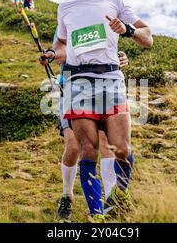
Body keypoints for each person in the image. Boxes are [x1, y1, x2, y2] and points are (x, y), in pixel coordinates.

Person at [40, 0, 153, 222]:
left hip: (110, 79)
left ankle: (118, 198)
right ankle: (97, 217)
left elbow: (148, 37)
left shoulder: (116, 2)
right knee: (86, 150)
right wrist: (52, 54)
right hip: (77, 83)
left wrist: (127, 30)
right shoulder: (66, 7)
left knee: (120, 148)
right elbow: (61, 46)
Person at [48, 50, 130, 222]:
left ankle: (110, 206)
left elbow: (110, 52)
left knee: (107, 145)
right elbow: (60, 51)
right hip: (73, 91)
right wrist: (52, 55)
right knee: (73, 147)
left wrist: (120, 58)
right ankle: (67, 196)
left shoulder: (105, 26)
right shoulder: (67, 24)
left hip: (104, 88)